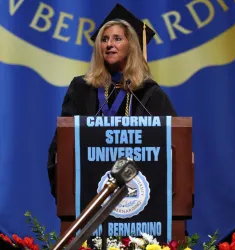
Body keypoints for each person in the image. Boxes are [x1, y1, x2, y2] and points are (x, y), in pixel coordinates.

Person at [47, 3, 177, 199]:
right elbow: (63, 140)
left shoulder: (148, 93)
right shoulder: (82, 88)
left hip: (138, 193)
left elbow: (173, 142)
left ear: (131, 45)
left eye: (117, 39)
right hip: (89, 189)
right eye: (104, 39)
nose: (109, 44)